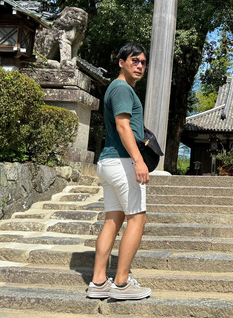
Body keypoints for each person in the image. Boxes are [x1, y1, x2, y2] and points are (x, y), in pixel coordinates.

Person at [86, 43, 151, 300]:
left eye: (143, 62)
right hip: (123, 161)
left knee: (113, 220)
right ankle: (122, 283)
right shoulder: (122, 88)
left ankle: (99, 281)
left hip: (108, 162)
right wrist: (139, 160)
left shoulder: (116, 88)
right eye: (134, 60)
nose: (140, 66)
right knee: (138, 218)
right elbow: (123, 126)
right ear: (121, 62)